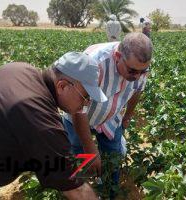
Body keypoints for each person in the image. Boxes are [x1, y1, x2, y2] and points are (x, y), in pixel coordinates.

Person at [0, 52, 107, 200]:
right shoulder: (40, 118)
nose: (86, 104)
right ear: (62, 86)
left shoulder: (20, 69)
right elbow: (76, 189)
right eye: (85, 97)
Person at [62, 32, 153, 198]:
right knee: (80, 155)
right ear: (118, 56)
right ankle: (83, 192)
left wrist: (127, 117)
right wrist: (90, 149)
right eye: (132, 71)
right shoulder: (94, 62)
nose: (138, 76)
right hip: (80, 117)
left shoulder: (139, 65)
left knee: (113, 158)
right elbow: (77, 108)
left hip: (111, 118)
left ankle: (110, 193)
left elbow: (137, 91)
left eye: (143, 71)